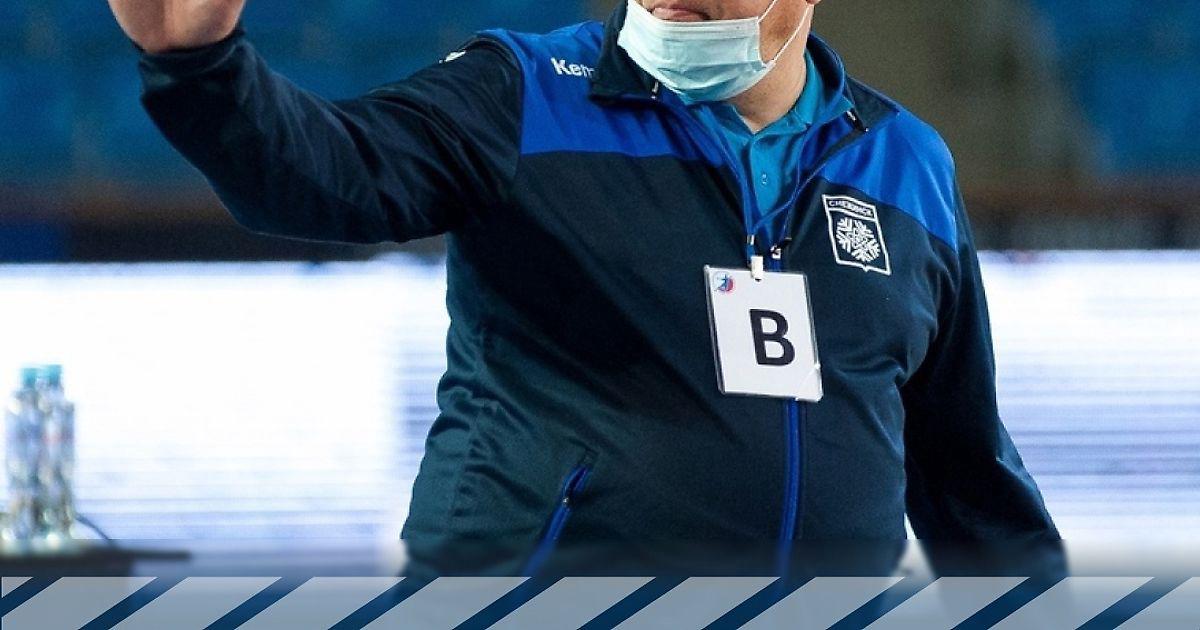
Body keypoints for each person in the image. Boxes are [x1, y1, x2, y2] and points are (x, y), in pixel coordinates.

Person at [107, 0, 1061, 576]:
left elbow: (965, 472)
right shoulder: (523, 93)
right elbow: (322, 172)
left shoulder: (907, 164)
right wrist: (199, 68)